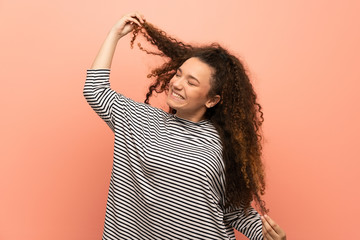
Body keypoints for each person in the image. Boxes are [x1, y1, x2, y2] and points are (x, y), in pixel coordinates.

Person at [83, 11, 286, 240]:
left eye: (191, 82)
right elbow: (95, 90)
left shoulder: (225, 146)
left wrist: (265, 234)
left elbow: (234, 211)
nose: (177, 84)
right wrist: (114, 35)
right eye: (178, 74)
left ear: (212, 100)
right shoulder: (140, 121)